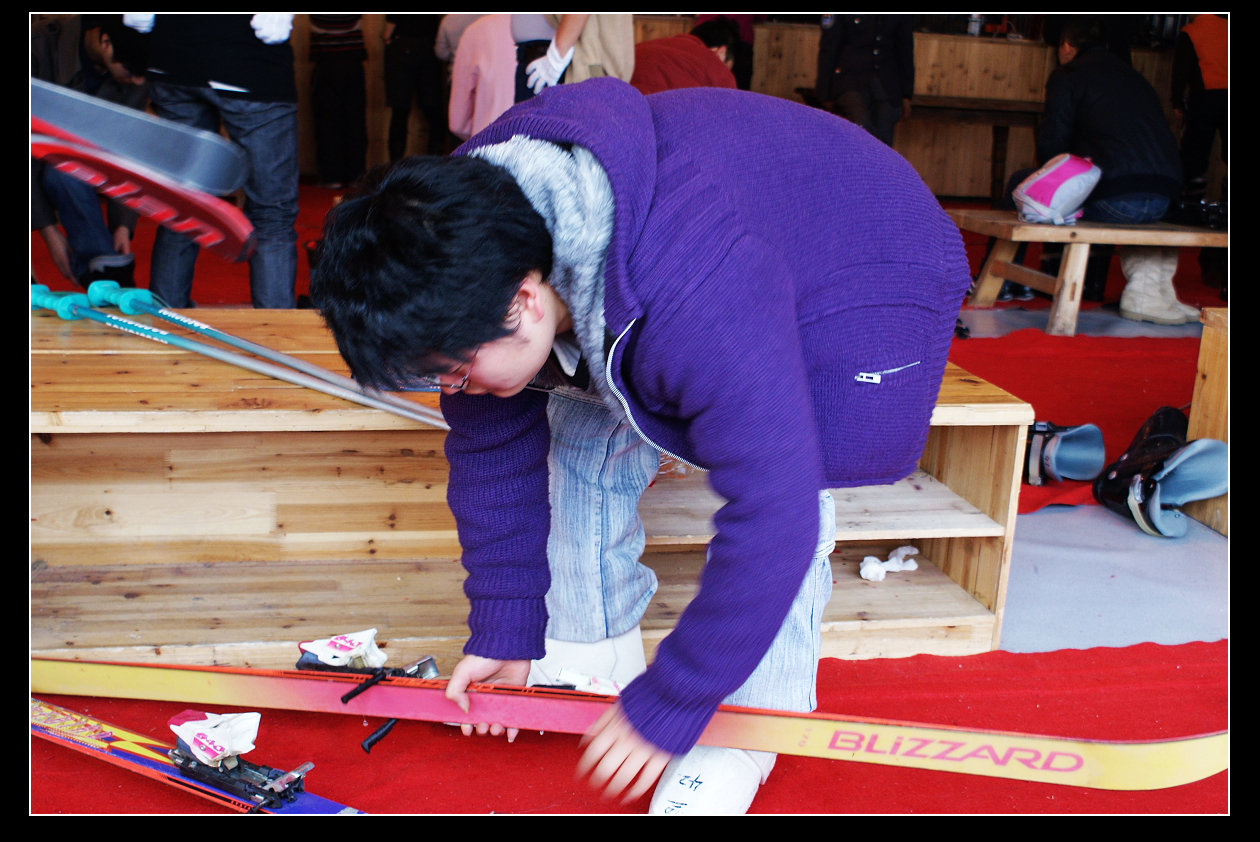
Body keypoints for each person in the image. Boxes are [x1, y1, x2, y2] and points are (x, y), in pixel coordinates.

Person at [310, 79, 970, 814]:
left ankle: (750, 725)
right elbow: (489, 457)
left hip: (864, 250)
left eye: (456, 369)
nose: (452, 388)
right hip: (698, 246)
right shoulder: (455, 243)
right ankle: (594, 652)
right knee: (580, 426)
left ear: (523, 302)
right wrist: (506, 629)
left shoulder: (694, 286)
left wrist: (676, 697)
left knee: (795, 464)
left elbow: (774, 510)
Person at [124, 13, 300, 309]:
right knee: (272, 214)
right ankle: (275, 330)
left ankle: (165, 324)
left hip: (173, 55)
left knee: (181, 207)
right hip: (247, 58)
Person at [1035, 16, 1186, 324]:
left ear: (1066, 46)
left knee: (1024, 186)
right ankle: (1149, 293)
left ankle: (1012, 283)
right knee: (1132, 195)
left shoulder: (1068, 75)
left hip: (1117, 201)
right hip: (1166, 198)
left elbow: (1054, 146)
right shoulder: (1134, 77)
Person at [31, 14, 150, 289]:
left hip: (85, 160)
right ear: (105, 43)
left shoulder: (133, 65)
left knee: (66, 171)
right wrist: (48, 231)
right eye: (131, 71)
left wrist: (123, 225)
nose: (137, 82)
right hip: (44, 158)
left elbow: (127, 152)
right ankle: (108, 272)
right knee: (63, 172)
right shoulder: (39, 47)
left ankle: (105, 268)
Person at [814, 14, 914, 147]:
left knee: (884, 135)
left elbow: (905, 50)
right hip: (849, 79)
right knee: (861, 124)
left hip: (887, 83)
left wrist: (906, 93)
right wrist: (824, 92)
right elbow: (830, 47)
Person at [308, 15, 367, 190]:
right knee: (355, 121)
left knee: (327, 123)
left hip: (326, 63)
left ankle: (331, 177)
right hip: (352, 63)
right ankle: (356, 176)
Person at [629, 19, 738, 96]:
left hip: (623, 105)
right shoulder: (716, 67)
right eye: (727, 67)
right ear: (721, 52)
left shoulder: (644, 46)